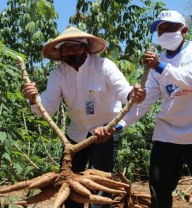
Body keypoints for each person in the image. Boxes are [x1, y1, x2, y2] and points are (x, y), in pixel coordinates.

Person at [121, 10, 192, 208]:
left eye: (170, 27)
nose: (165, 33)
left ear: (184, 30)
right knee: (159, 188)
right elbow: (145, 101)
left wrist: (160, 66)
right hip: (167, 133)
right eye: (160, 30)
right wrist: (119, 125)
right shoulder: (157, 64)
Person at [22, 26, 146, 208]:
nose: (70, 52)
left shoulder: (104, 65)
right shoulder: (58, 74)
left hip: (105, 131)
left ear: (87, 48)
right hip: (76, 134)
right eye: (65, 49)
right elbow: (48, 108)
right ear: (60, 54)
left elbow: (123, 91)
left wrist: (133, 95)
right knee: (69, 183)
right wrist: (34, 99)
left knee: (100, 183)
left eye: (75, 47)